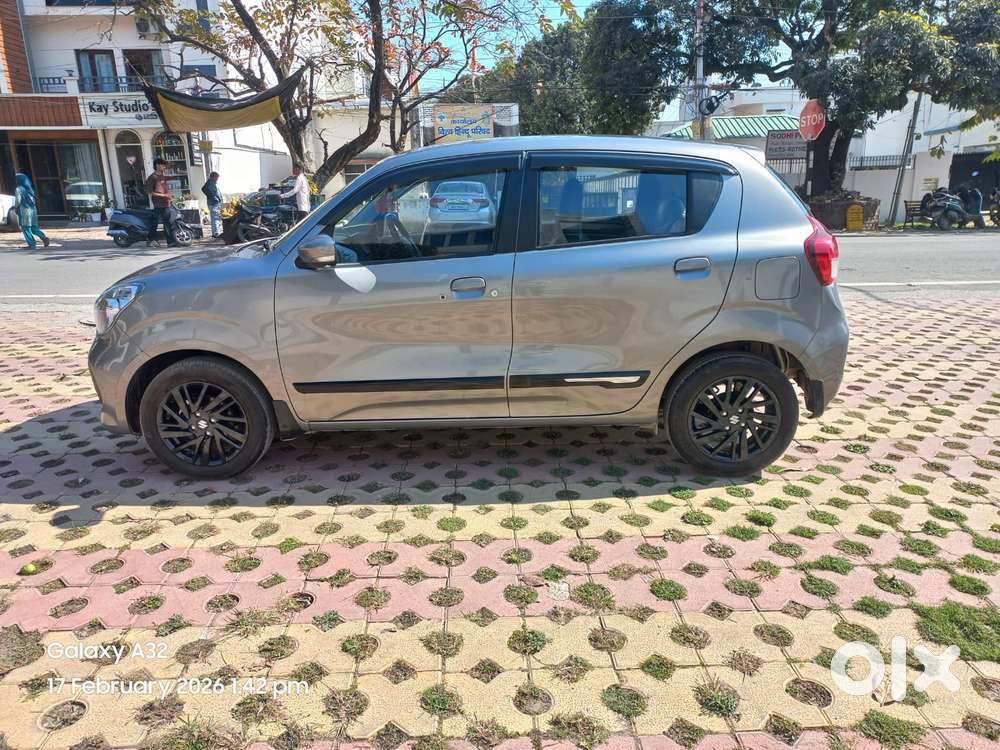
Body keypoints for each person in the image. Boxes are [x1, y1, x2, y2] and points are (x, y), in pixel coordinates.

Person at [145, 157, 176, 247]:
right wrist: (164, 196)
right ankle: (167, 242)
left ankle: (169, 242)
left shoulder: (162, 176)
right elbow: (151, 192)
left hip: (166, 203)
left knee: (167, 223)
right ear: (157, 165)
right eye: (163, 165)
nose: (165, 167)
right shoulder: (152, 177)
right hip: (158, 204)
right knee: (158, 223)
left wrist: (169, 196)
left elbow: (163, 189)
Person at [14, 172, 49, 249]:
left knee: (25, 227)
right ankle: (44, 238)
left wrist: (16, 208)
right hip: (33, 210)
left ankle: (32, 244)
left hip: (24, 210)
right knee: (34, 227)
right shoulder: (30, 189)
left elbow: (18, 201)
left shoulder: (18, 189)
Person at [202, 171, 223, 238]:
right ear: (213, 177)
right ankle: (216, 233)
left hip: (213, 203)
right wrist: (215, 198)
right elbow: (212, 192)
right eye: (217, 177)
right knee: (215, 218)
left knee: (215, 218)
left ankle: (216, 233)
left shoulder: (211, 183)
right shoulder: (210, 183)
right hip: (214, 203)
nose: (217, 179)